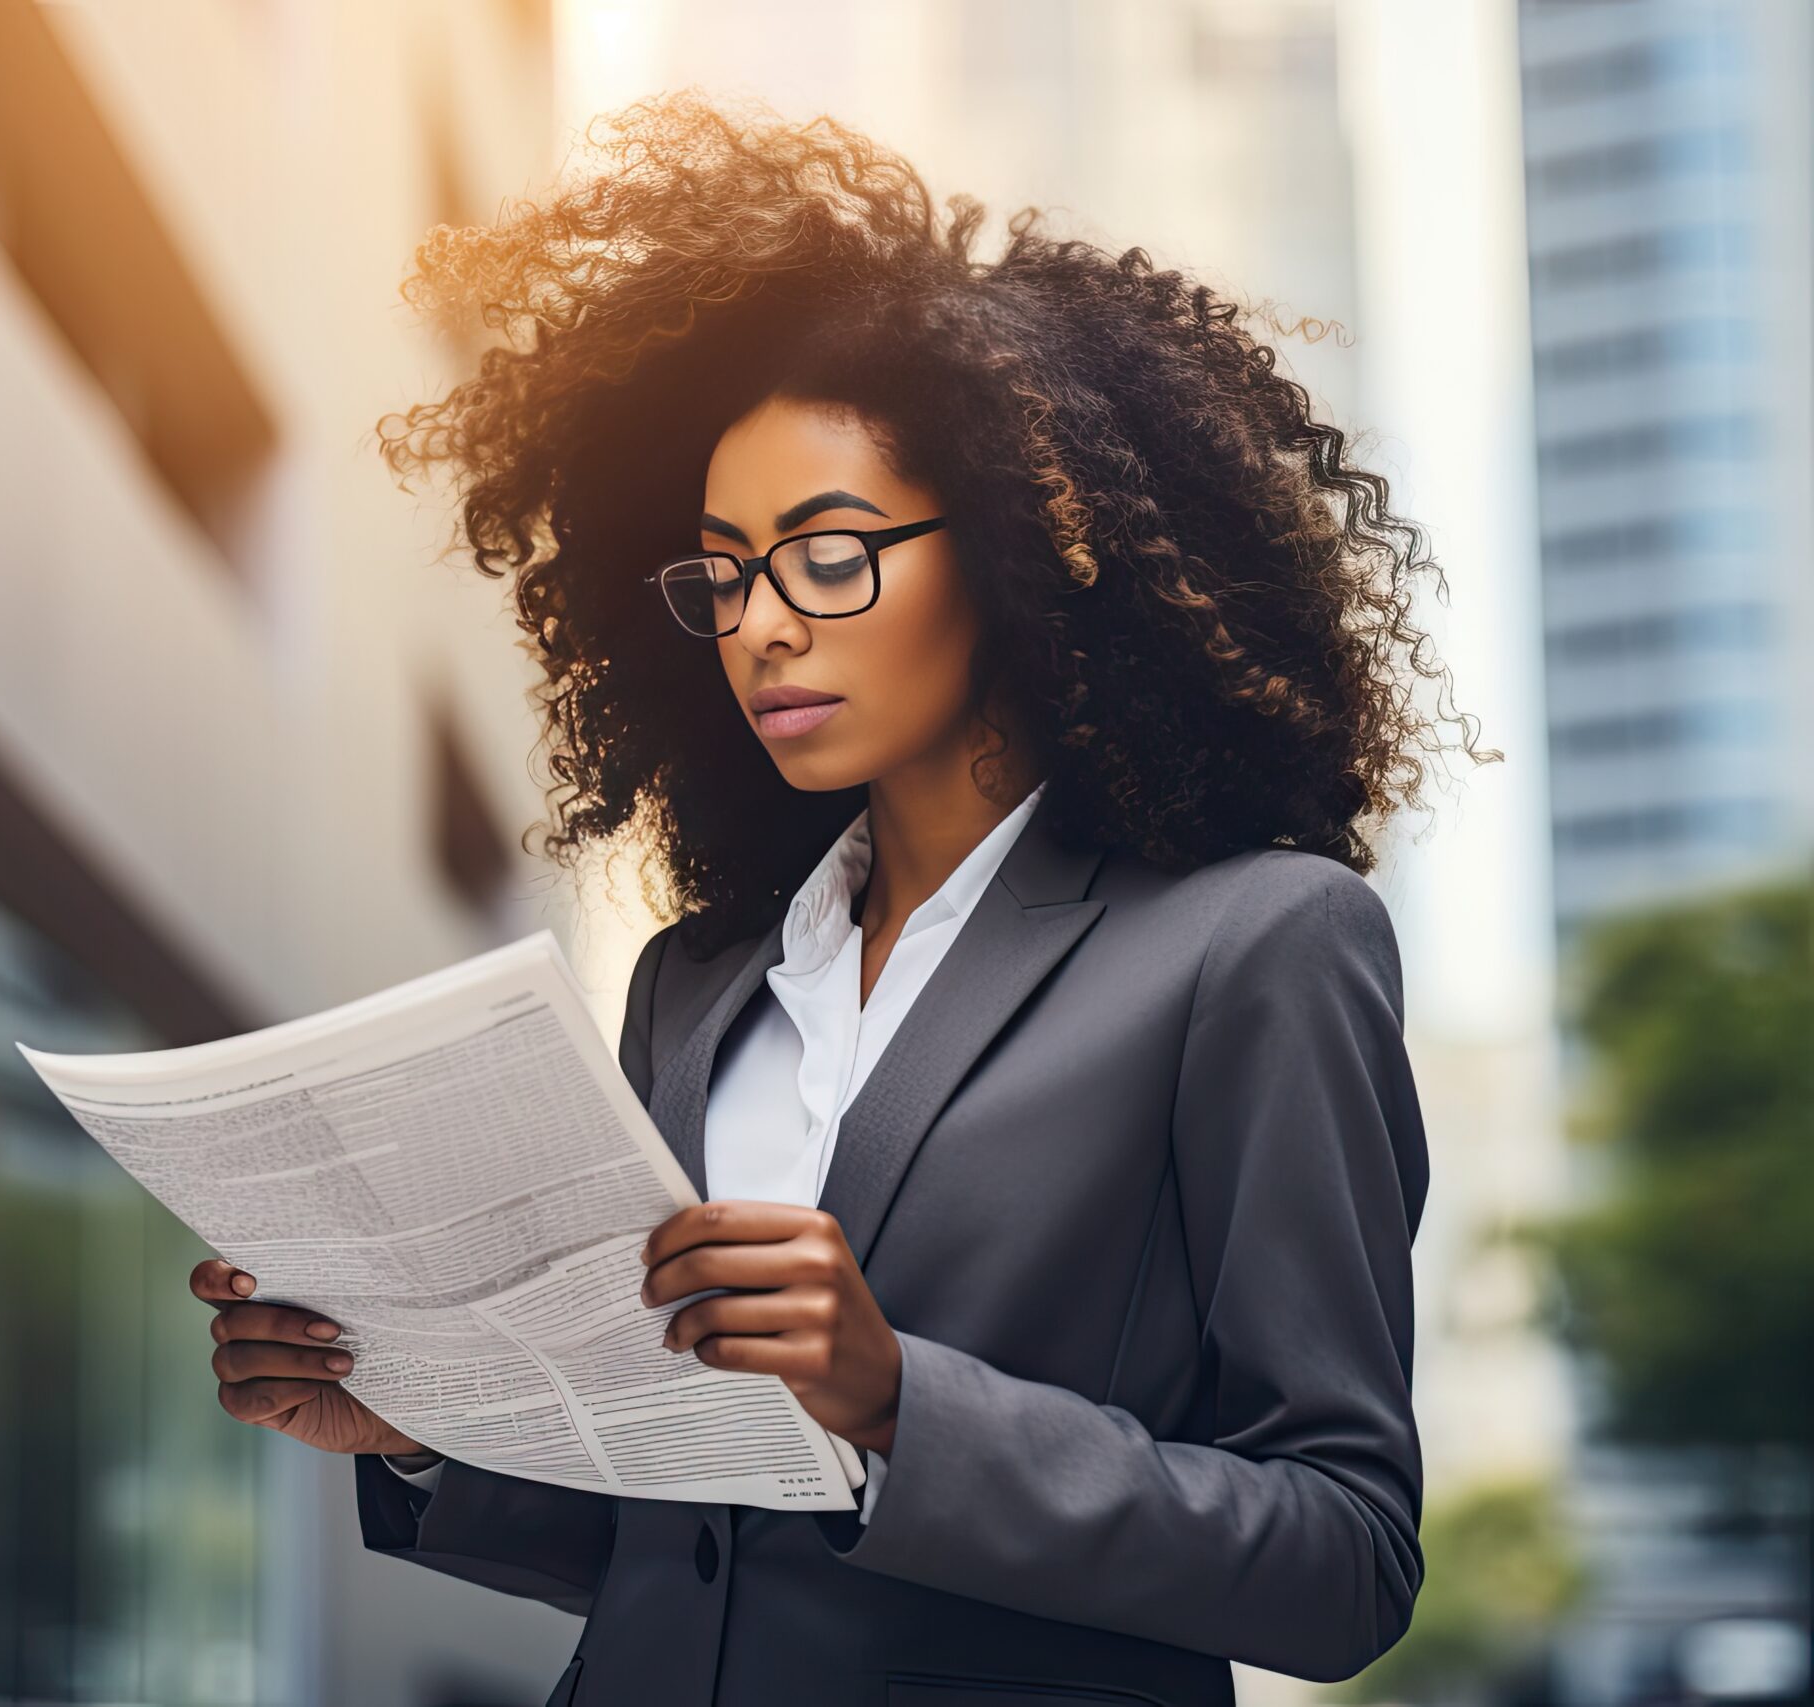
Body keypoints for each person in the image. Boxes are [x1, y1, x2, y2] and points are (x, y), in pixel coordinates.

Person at [186, 90, 1487, 1707]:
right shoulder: (702, 981)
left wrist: (897, 1405)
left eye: (828, 553)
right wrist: (426, 1424)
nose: (762, 627)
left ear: (1021, 550)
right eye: (724, 574)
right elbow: (690, 1535)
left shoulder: (1255, 947)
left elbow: (1345, 1557)